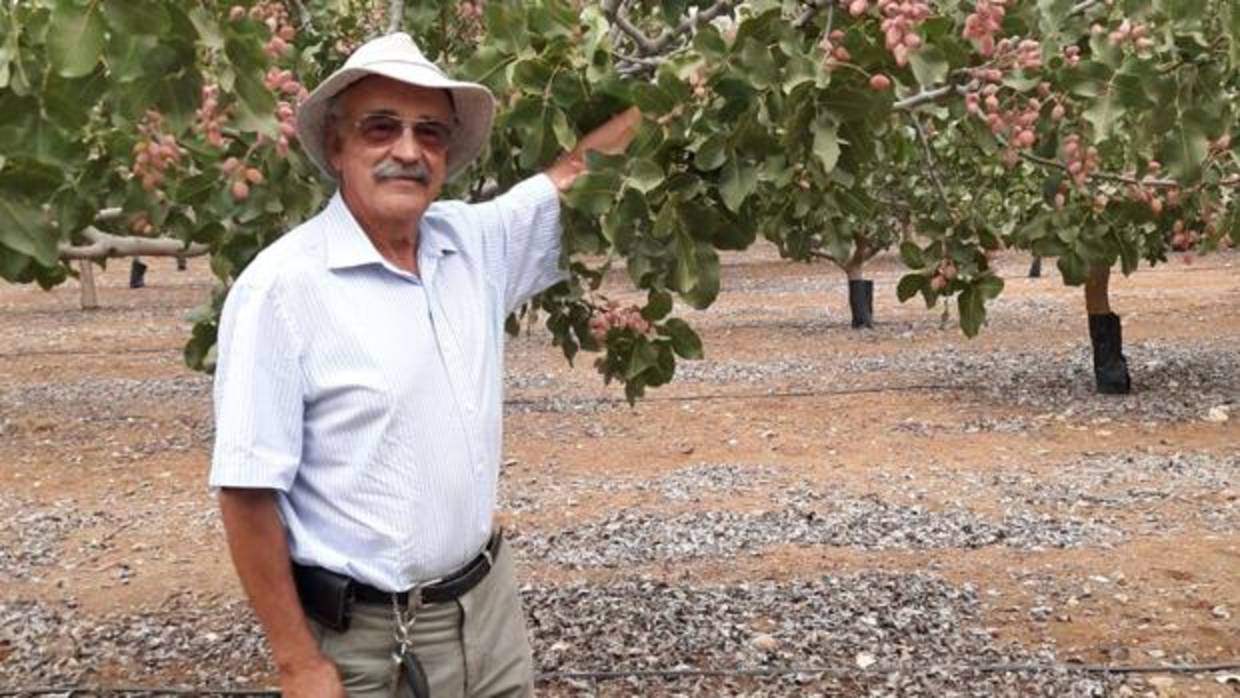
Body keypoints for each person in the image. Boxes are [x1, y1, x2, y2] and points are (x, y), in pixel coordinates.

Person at [208, 32, 640, 698]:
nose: (407, 151)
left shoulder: (472, 246)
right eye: (381, 128)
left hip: (488, 613)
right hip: (368, 643)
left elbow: (579, 175)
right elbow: (246, 491)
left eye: (430, 133)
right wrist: (297, 660)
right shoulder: (281, 290)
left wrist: (696, 79)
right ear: (338, 145)